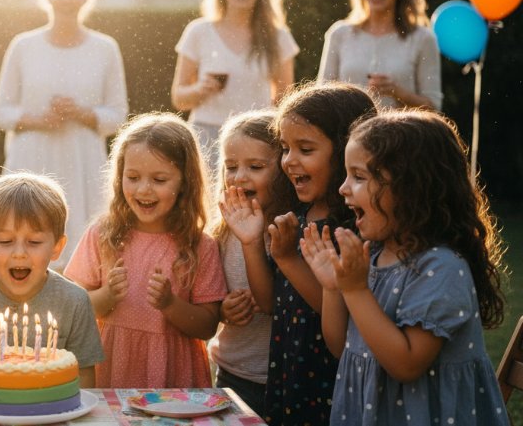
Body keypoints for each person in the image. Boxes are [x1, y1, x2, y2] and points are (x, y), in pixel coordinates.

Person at [302, 110, 509, 424]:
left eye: (359, 176)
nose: (343, 188)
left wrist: (355, 289)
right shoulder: (372, 256)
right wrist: (334, 287)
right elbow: (339, 346)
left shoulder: (441, 267)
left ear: (410, 188)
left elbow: (407, 364)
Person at [235, 82, 377, 424]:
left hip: (327, 377)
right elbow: (270, 304)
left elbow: (336, 310)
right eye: (285, 148)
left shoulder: (353, 228)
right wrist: (253, 243)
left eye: (305, 149)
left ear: (345, 149)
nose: (288, 161)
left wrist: (287, 259)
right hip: (290, 373)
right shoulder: (296, 216)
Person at [64, 112, 226, 388]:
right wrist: (107, 295)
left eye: (159, 180)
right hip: (112, 366)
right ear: (119, 177)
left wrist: (169, 304)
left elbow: (207, 326)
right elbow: (77, 309)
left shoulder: (200, 246)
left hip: (173, 375)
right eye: (133, 177)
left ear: (185, 182)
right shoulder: (103, 235)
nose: (144, 189)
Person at [0, 0, 128, 269]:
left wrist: (81, 113)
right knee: (24, 235)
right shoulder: (23, 46)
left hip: (82, 161)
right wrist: (39, 120)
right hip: (32, 157)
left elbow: (118, 114)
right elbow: (1, 111)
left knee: (83, 248)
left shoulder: (105, 48)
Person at [0, 172, 104, 389]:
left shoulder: (75, 301)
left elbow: (84, 376)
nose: (19, 253)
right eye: (5, 241)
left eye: (34, 241)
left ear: (58, 247)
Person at [171, 0, 299, 169]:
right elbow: (179, 98)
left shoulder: (279, 37)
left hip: (256, 141)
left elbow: (283, 103)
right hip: (205, 137)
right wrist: (200, 89)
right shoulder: (198, 32)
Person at [208, 110, 296, 416]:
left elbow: (270, 302)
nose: (240, 176)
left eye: (255, 166)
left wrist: (252, 242)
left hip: (282, 376)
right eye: (231, 167)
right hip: (232, 373)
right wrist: (222, 309)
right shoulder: (221, 233)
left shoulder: (289, 230)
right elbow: (210, 296)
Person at [318, 0, 442, 110]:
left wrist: (399, 93)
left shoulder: (423, 38)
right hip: (347, 136)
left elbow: (434, 108)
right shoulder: (339, 34)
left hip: (401, 136)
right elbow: (321, 100)